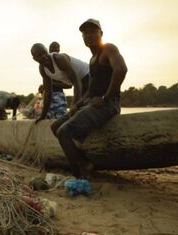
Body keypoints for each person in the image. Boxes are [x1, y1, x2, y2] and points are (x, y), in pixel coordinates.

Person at [50, 19, 128, 178]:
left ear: (101, 34)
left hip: (107, 105)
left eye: (93, 31)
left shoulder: (109, 49)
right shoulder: (92, 60)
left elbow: (121, 69)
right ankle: (84, 161)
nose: (89, 35)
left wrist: (106, 98)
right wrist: (79, 103)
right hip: (92, 103)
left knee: (64, 132)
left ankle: (80, 176)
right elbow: (91, 90)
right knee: (55, 126)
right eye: (85, 33)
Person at [31, 43, 89, 123]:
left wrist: (74, 104)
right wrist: (43, 116)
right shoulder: (42, 69)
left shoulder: (58, 59)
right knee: (76, 112)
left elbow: (76, 81)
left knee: (80, 109)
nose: (43, 56)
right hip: (80, 82)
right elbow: (48, 92)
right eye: (39, 55)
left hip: (88, 76)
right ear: (35, 59)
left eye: (44, 52)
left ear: (47, 50)